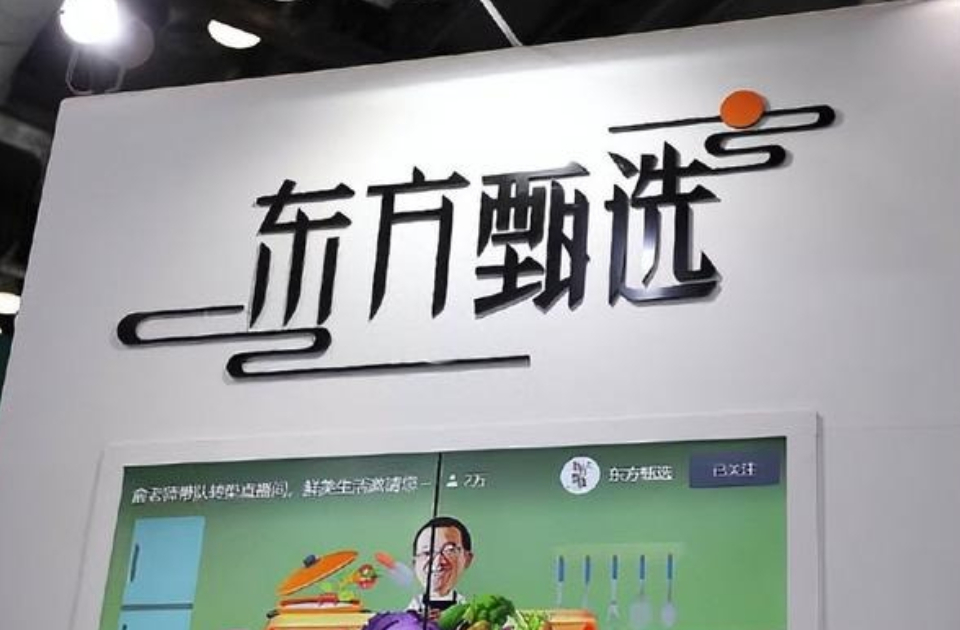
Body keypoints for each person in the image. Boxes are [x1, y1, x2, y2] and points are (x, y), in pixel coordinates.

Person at [407, 516, 474, 619]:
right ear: (414, 563)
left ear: (467, 559)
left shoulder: (464, 606)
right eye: (427, 553)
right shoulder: (415, 606)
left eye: (449, 550)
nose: (438, 562)